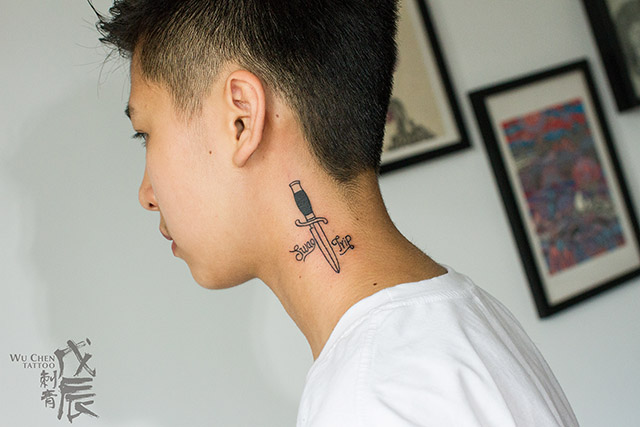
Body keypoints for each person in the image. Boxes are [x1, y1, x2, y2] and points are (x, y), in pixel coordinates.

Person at [92, 0, 578, 425]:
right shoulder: (460, 321)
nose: (146, 193)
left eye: (146, 134)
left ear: (242, 118)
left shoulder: (374, 397)